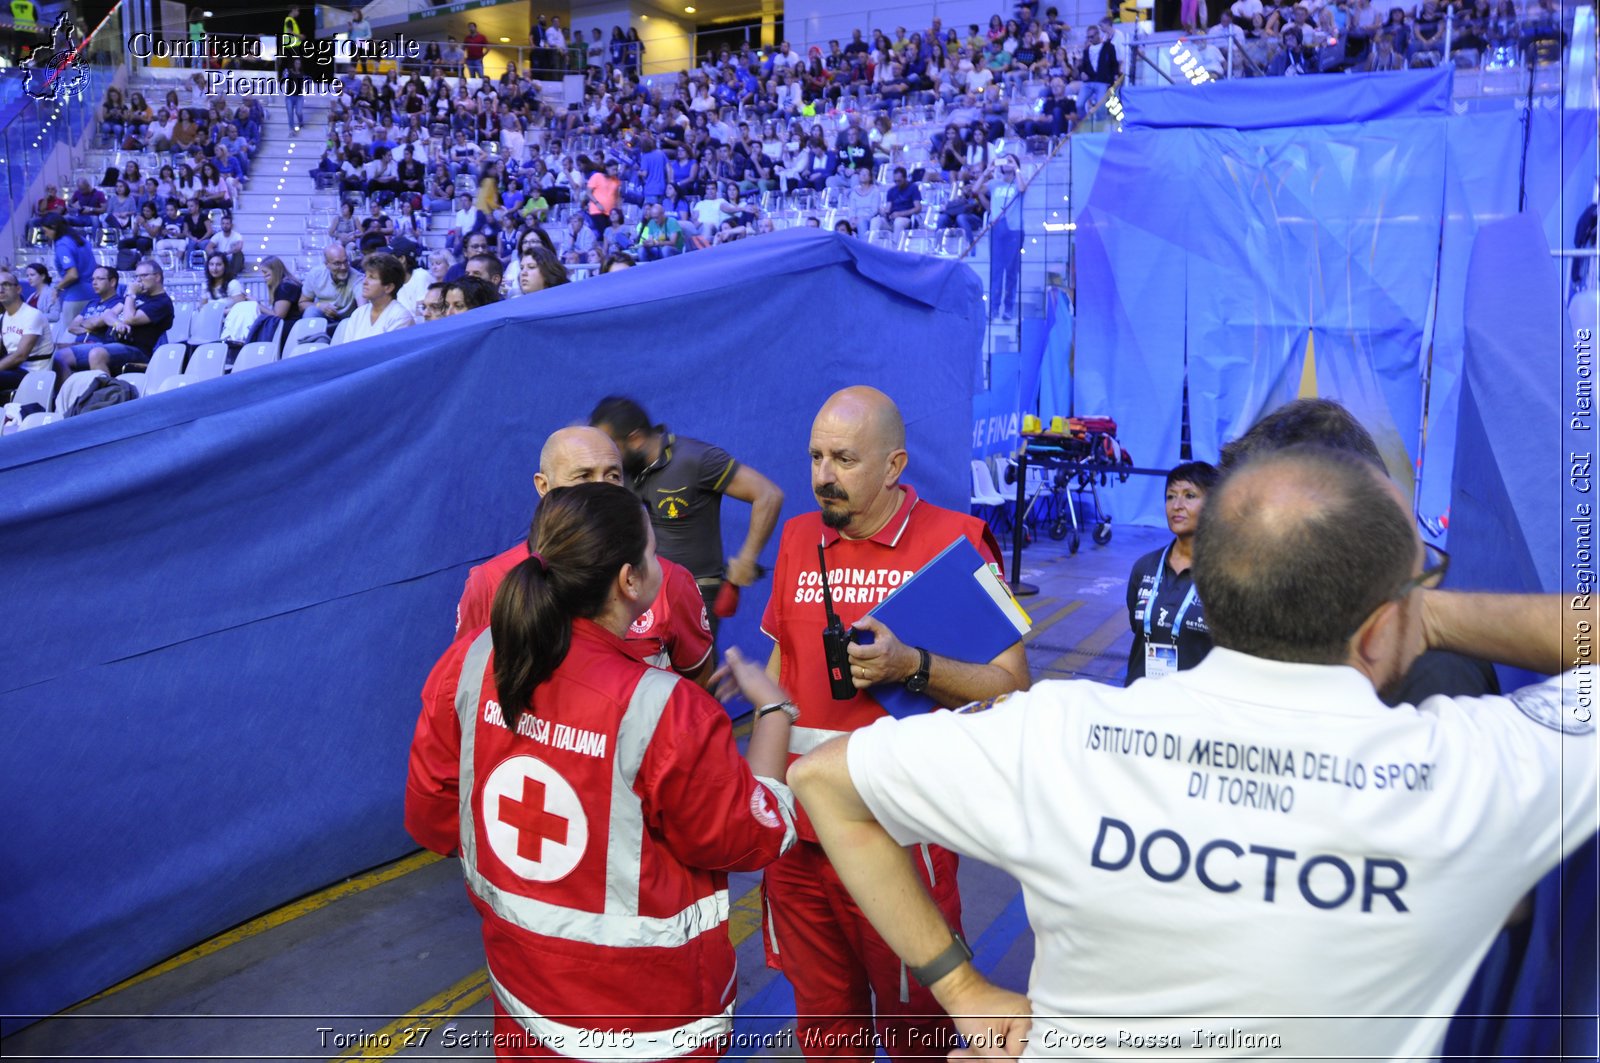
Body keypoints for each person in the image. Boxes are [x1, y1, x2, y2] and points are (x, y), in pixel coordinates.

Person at [791, 443, 1595, 1062]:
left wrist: (962, 987)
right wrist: (1431, 616)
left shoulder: (1058, 733)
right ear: (1385, 624)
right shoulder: (1466, 772)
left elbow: (823, 780)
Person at [405, 482, 799, 1058]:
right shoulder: (664, 709)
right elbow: (749, 836)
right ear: (629, 580)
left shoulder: (470, 662)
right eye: (651, 548)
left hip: (525, 1009)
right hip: (653, 1025)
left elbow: (432, 816)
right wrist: (774, 710)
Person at [755, 386, 1030, 1061]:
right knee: (824, 1029)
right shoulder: (797, 537)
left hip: (899, 839)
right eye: (816, 455)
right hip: (797, 844)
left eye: (845, 458)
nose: (824, 474)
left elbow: (1015, 685)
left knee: (919, 1033)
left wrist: (914, 664)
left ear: (893, 465)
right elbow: (781, 667)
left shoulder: (957, 544)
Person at [455, 426, 717, 688]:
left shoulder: (668, 581)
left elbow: (697, 687)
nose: (601, 489)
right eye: (583, 476)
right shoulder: (489, 583)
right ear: (543, 486)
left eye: (613, 475)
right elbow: (465, 690)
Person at [589, 396, 784, 630]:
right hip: (645, 594)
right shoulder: (623, 470)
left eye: (613, 447)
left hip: (695, 595)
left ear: (636, 439)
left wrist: (747, 558)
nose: (607, 456)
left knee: (693, 666)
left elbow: (768, 495)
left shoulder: (696, 460)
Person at [1125, 461, 1219, 684]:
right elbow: (1136, 627)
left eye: (1189, 495)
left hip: (1197, 708)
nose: (1177, 505)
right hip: (1141, 701)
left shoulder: (1224, 574)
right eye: (1170, 496)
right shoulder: (1144, 567)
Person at [56, 258, 172, 379]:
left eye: (143, 275)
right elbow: (108, 315)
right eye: (137, 276)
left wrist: (131, 294)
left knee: (97, 354)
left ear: (157, 277)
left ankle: (108, 393)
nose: (138, 280)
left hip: (138, 350)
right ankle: (68, 396)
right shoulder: (137, 297)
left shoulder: (162, 302)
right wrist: (117, 323)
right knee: (60, 357)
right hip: (110, 344)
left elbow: (129, 318)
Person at [0, 267, 54, 393]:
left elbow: (20, 356)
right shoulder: (3, 318)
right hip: (12, 370)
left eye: (6, 285)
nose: (1, 289)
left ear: (18, 289)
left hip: (32, 374)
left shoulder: (32, 315)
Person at [339, 252, 414, 344]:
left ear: (389, 287)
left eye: (372, 277)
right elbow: (346, 350)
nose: (364, 282)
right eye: (365, 276)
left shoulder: (400, 317)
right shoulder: (358, 313)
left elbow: (387, 355)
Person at [40, 214, 95, 330]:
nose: (46, 235)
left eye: (46, 231)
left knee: (70, 338)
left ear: (54, 227)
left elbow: (73, 274)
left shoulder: (62, 245)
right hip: (93, 294)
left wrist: (56, 288)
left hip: (76, 297)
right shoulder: (81, 240)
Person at [299, 244, 358, 324]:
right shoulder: (316, 274)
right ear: (326, 264)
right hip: (324, 318)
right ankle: (310, 336)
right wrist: (319, 306)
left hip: (347, 322)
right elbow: (302, 303)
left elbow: (363, 306)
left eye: (345, 262)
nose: (343, 267)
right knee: (311, 311)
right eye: (337, 263)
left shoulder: (356, 277)